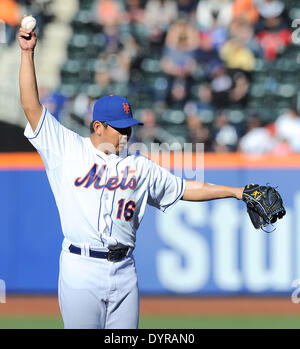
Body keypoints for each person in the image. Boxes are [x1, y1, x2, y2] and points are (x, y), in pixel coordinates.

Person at [19, 22, 246, 329]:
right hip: (80, 267)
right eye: (120, 127)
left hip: (125, 270)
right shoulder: (66, 149)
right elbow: (31, 106)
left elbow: (185, 188)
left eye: (129, 126)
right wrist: (27, 52)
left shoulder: (139, 165)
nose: (127, 132)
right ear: (98, 127)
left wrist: (236, 192)